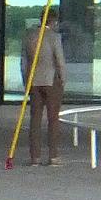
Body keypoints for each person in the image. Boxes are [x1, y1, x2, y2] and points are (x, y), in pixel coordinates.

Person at [19, 19, 66, 166]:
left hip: (34, 80)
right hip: (51, 80)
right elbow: (60, 60)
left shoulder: (30, 36)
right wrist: (63, 79)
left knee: (35, 120)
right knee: (53, 119)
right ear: (55, 21)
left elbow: (24, 62)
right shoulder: (54, 37)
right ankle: (53, 156)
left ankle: (35, 157)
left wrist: (26, 81)